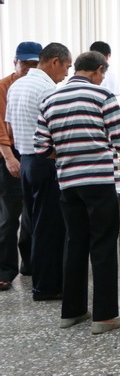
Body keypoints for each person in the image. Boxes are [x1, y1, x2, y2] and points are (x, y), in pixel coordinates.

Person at [34, 51, 120, 334]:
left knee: (75, 243)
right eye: (102, 74)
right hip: (99, 182)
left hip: (67, 183)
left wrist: (68, 155)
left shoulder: (50, 99)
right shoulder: (103, 97)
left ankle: (72, 312)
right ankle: (104, 316)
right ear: (98, 70)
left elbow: (40, 147)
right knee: (102, 245)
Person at [5, 42, 72, 300]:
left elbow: (9, 128)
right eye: (66, 67)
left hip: (26, 161)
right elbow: (55, 131)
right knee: (50, 227)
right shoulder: (46, 88)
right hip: (45, 162)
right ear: (54, 61)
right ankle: (47, 287)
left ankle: (35, 273)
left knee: (33, 223)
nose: (66, 74)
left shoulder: (17, 84)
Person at [0, 41, 40, 292]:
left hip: (32, 152)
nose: (28, 69)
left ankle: (30, 262)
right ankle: (5, 269)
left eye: (34, 65)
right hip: (9, 153)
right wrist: (8, 157)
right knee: (9, 214)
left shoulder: (40, 85)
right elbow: (1, 127)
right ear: (15, 62)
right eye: (25, 64)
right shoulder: (3, 86)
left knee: (32, 211)